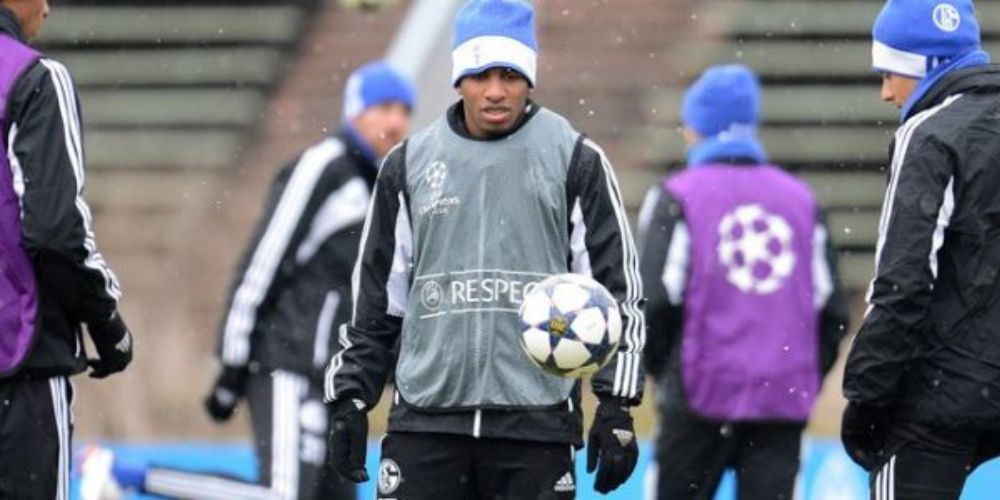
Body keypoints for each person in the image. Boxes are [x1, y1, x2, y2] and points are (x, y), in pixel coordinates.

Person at [324, 1, 646, 498]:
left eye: (510, 75)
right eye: (480, 75)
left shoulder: (575, 159)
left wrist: (616, 405)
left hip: (535, 429)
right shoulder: (407, 167)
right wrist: (350, 399)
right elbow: (377, 304)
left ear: (529, 78)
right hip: (424, 426)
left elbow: (617, 295)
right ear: (459, 78)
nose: (495, 91)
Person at [77, 61, 415, 500]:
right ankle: (125, 473)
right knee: (282, 495)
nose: (396, 121)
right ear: (354, 112)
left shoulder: (385, 190)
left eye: (404, 110)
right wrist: (233, 361)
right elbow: (264, 261)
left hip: (336, 383)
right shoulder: (324, 166)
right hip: (289, 363)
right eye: (384, 107)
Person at [638, 64, 849, 500]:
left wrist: (665, 373)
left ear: (696, 126)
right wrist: (801, 377)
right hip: (780, 401)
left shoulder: (677, 195)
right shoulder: (801, 200)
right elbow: (832, 311)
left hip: (698, 396)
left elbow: (656, 301)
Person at [841, 0, 1000, 497]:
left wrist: (866, 395)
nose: (887, 92)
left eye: (892, 73)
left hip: (938, 400)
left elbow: (902, 283)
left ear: (928, 67)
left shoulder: (928, 134)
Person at [0, 0, 134, 498]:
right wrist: (106, 321)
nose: (48, 8)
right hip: (19, 360)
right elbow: (55, 232)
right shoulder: (34, 76)